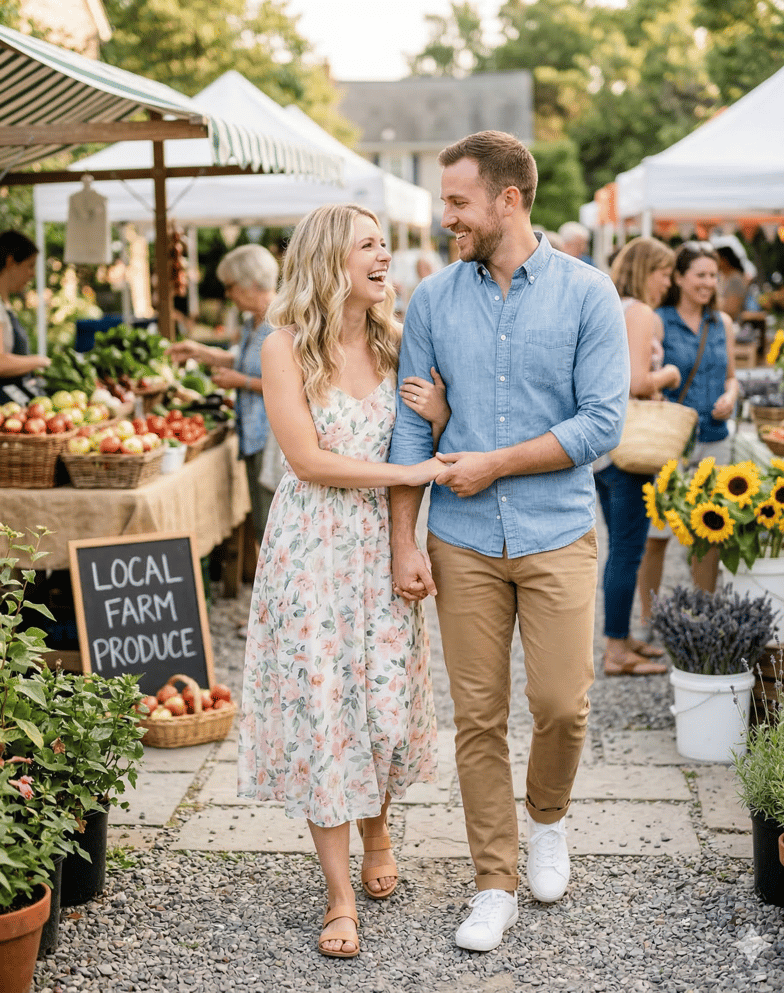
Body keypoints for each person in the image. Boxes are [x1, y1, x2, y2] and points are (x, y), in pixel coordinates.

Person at [388, 131, 629, 952]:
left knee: (562, 702)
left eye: (456, 202)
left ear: (508, 200)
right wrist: (404, 541)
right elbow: (407, 433)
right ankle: (493, 879)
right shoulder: (431, 300)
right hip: (458, 539)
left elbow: (603, 421)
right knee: (477, 716)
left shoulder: (588, 293)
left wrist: (493, 462)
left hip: (557, 529)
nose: (444, 218)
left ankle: (549, 820)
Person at [237, 204, 449, 960]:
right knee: (326, 713)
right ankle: (339, 894)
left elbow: (428, 440)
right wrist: (410, 466)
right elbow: (307, 460)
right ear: (332, 260)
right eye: (369, 245)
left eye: (385, 244)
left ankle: (380, 827)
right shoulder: (283, 346)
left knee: (383, 710)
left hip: (377, 547)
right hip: (310, 553)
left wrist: (441, 418)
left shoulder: (397, 345)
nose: (385, 256)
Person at [637, 241, 739, 630]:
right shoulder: (660, 320)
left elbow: (731, 376)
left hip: (715, 437)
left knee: (708, 530)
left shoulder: (722, 324)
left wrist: (730, 396)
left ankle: (705, 614)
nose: (708, 283)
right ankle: (648, 618)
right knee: (657, 534)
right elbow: (645, 378)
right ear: (679, 278)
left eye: (713, 275)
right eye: (700, 274)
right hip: (670, 443)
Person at [595, 237, 681, 676]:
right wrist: (670, 372)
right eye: (664, 272)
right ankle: (615, 651)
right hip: (632, 447)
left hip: (606, 450)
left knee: (619, 550)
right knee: (628, 551)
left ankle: (622, 638)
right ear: (646, 270)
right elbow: (636, 381)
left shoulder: (613, 304)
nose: (668, 282)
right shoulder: (641, 312)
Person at [167, 244, 279, 543]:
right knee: (261, 524)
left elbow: (294, 384)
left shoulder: (283, 322)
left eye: (231, 286)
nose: (228, 294)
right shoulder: (249, 322)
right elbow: (246, 362)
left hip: (274, 439)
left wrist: (240, 382)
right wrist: (201, 352)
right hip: (252, 434)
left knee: (272, 526)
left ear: (252, 284)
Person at [0, 230, 51, 405]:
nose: (32, 274)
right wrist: (39, 361)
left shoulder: (5, 306)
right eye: (30, 265)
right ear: (10, 262)